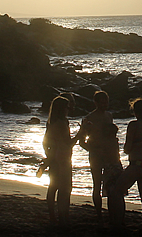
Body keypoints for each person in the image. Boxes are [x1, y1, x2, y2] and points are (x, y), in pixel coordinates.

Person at [110, 98, 142, 230]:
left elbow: (127, 148)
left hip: (137, 163)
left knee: (117, 191)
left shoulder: (133, 125)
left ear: (135, 112)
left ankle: (119, 223)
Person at [43, 95, 84, 225]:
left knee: (53, 187)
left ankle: (52, 215)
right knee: (65, 188)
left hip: (54, 158)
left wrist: (49, 155)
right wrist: (81, 133)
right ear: (62, 109)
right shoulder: (62, 123)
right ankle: (63, 215)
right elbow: (68, 143)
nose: (69, 109)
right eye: (67, 107)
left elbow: (45, 142)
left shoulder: (50, 121)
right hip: (63, 159)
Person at [78, 90, 116, 221]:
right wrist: (93, 150)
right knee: (97, 185)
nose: (105, 104)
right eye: (102, 102)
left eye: (106, 101)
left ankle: (111, 213)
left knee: (111, 185)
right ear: (95, 102)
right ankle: (99, 214)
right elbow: (81, 142)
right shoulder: (89, 118)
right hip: (96, 155)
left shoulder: (109, 116)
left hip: (109, 155)